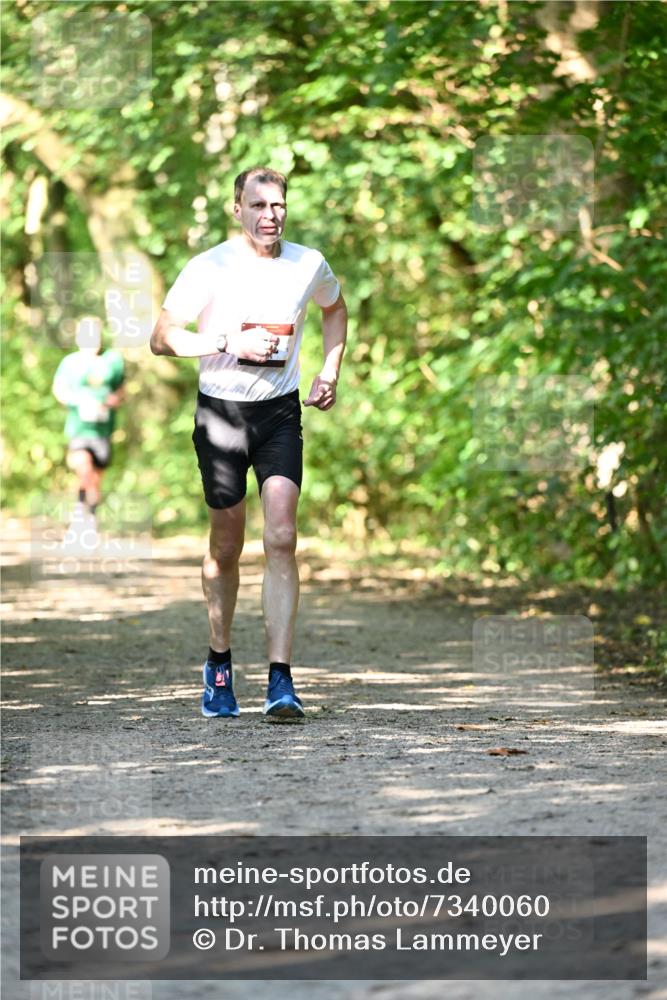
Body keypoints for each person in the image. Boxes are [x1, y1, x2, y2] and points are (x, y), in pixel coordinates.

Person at [150, 166, 347, 721]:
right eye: (258, 206)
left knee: (282, 533)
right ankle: (218, 664)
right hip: (222, 415)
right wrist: (225, 340)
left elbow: (335, 308)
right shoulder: (209, 266)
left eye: (278, 205)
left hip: (281, 413)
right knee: (226, 546)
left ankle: (281, 680)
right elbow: (161, 338)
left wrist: (330, 369)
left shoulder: (308, 264)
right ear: (238, 210)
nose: (270, 215)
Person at [52, 316, 125, 540]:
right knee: (83, 469)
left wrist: (114, 399)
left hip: (103, 430)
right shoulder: (70, 362)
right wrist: (77, 402)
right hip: (79, 429)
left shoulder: (113, 360)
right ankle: (79, 518)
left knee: (95, 478)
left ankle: (89, 517)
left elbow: (121, 390)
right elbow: (58, 390)